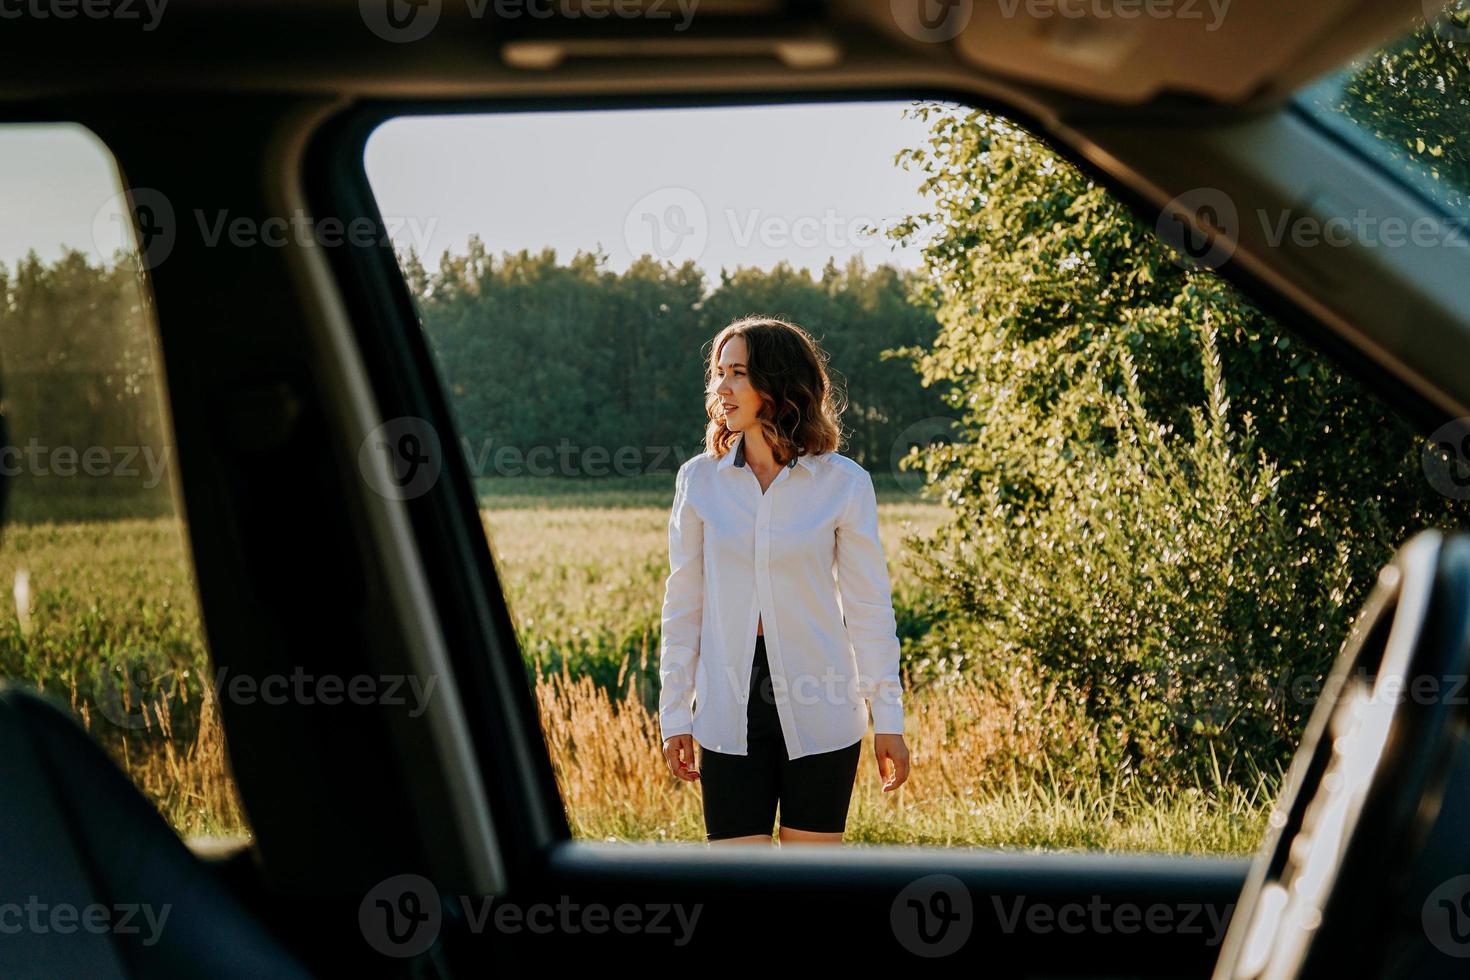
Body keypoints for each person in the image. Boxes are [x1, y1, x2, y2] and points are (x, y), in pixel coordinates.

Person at [657, 315, 911, 846]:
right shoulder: (698, 481)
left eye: (738, 374)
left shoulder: (844, 484)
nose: (721, 388)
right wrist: (674, 712)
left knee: (810, 891)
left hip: (823, 708)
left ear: (776, 383)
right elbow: (683, 604)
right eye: (719, 373)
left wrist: (888, 715)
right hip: (727, 707)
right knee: (739, 888)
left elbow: (868, 608)